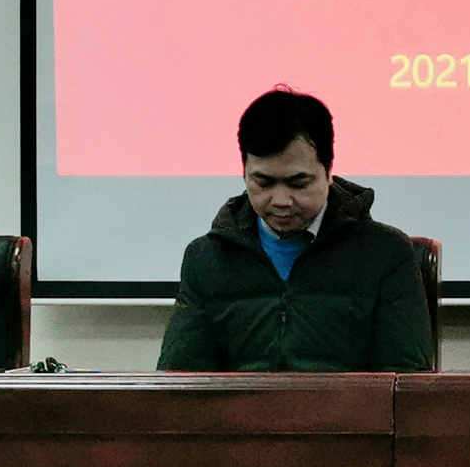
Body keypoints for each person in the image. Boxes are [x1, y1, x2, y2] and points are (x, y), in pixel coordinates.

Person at [157, 88, 434, 372]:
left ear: (328, 172)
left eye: (298, 184)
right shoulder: (207, 259)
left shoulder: (385, 254)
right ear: (244, 172)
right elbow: (180, 380)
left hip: (345, 403)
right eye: (263, 183)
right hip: (241, 403)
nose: (281, 201)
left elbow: (404, 380)